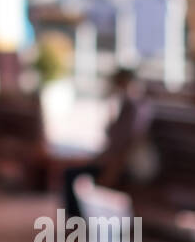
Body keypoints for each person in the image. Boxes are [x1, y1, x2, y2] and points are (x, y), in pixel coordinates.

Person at [60, 69, 153, 218]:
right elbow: (112, 136)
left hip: (122, 166)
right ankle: (76, 222)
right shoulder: (127, 105)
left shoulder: (134, 107)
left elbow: (127, 145)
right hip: (114, 161)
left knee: (71, 175)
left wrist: (111, 172)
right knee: (71, 173)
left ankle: (75, 224)